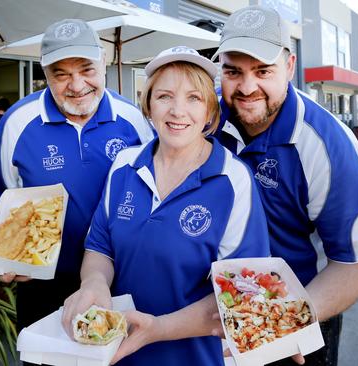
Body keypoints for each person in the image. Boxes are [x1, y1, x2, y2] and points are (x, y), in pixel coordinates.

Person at [61, 47, 270, 366]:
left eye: (193, 98)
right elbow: (100, 247)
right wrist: (94, 283)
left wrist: (158, 329)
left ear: (210, 112)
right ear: (148, 105)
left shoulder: (233, 179)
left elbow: (241, 291)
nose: (177, 111)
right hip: (117, 353)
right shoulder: (124, 165)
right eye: (164, 96)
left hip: (196, 358)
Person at [212, 5, 358, 365]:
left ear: (289, 66)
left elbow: (352, 266)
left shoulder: (328, 145)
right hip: (212, 313)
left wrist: (286, 322)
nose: (247, 87)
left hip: (300, 313)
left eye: (263, 71)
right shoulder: (204, 118)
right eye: (233, 71)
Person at [0, 19, 155, 334]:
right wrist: (6, 255)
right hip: (42, 285)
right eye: (61, 74)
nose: (76, 85)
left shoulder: (136, 120)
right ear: (44, 74)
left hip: (122, 281)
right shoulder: (17, 122)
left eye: (86, 69)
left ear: (104, 63)